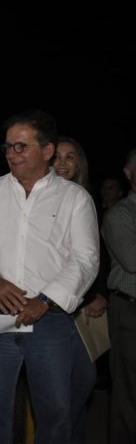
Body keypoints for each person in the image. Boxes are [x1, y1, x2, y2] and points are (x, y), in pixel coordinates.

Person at [0, 110, 99, 443]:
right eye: (8, 147)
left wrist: (45, 300)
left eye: (21, 146)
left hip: (50, 320)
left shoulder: (74, 198)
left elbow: (85, 259)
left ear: (47, 151)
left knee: (55, 414)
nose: (12, 154)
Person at [53, 136, 107, 444]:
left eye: (70, 157)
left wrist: (98, 295)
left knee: (82, 380)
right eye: (57, 157)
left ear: (79, 164)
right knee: (67, 384)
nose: (62, 163)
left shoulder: (85, 199)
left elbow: (95, 255)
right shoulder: (38, 198)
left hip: (78, 303)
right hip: (51, 303)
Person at [101, 148, 136, 443]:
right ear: (128, 174)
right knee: (128, 393)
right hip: (129, 310)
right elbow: (132, 260)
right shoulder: (120, 214)